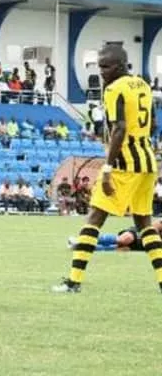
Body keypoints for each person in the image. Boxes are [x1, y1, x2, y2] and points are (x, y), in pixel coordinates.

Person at [53, 44, 162, 293]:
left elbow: (119, 128)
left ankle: (73, 281)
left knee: (94, 218)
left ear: (121, 66)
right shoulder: (143, 85)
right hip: (147, 162)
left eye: (106, 66)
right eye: (99, 66)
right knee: (145, 224)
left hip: (125, 164)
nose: (102, 71)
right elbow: (153, 124)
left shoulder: (114, 89)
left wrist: (107, 168)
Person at [67, 220, 162, 252]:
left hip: (145, 247)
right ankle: (81, 240)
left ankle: (81, 247)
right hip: (142, 233)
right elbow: (154, 226)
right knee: (124, 240)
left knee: (120, 249)